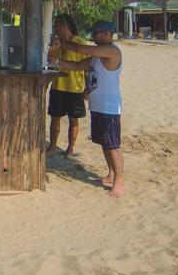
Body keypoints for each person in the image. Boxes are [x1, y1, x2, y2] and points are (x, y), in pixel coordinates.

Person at [50, 20, 124, 198]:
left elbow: (83, 49)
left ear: (107, 34)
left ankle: (119, 181)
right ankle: (111, 174)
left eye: (96, 34)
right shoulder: (98, 56)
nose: (93, 37)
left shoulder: (112, 51)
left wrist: (65, 42)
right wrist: (57, 61)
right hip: (98, 106)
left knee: (112, 145)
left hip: (109, 107)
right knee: (105, 144)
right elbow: (77, 66)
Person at [46, 14, 91, 159]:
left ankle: (70, 149)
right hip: (58, 86)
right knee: (55, 118)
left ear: (65, 26)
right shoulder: (56, 43)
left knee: (74, 120)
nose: (56, 28)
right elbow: (50, 62)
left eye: (57, 25)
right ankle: (52, 146)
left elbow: (87, 68)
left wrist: (86, 89)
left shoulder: (80, 43)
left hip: (75, 88)